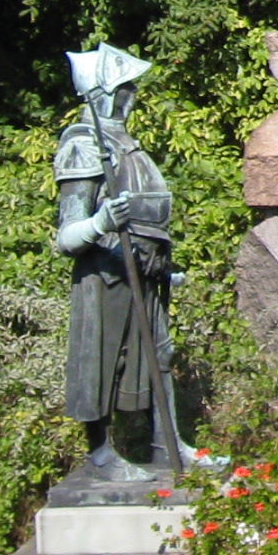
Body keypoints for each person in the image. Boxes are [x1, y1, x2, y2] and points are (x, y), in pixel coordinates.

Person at [54, 43, 193, 478]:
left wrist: (165, 268)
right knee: (102, 361)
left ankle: (167, 444)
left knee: (159, 354)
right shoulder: (84, 143)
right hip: (107, 275)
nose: (134, 93)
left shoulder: (125, 142)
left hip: (146, 273)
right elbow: (67, 236)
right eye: (127, 86)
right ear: (106, 93)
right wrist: (99, 222)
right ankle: (100, 453)